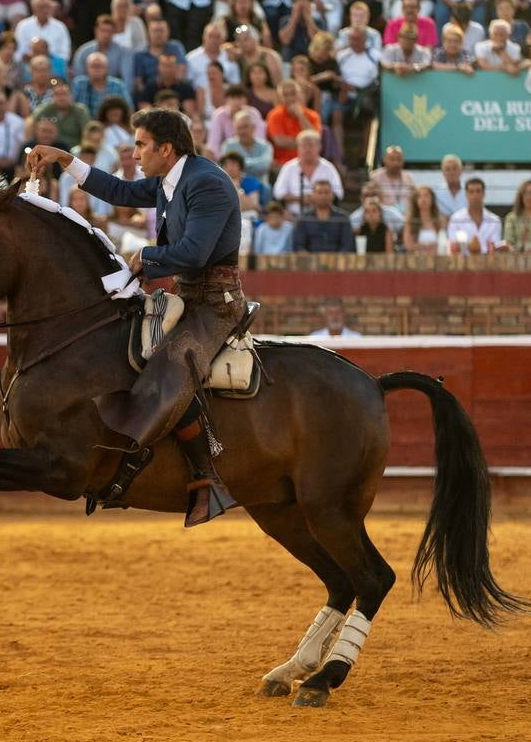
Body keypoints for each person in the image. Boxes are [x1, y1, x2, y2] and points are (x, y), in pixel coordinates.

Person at [27, 107, 245, 527]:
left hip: (217, 304)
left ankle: (208, 478)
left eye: (142, 144)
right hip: (189, 296)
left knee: (173, 364)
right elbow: (119, 191)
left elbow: (194, 253)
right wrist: (64, 158)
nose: (134, 153)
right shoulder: (172, 179)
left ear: (166, 148)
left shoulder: (207, 183)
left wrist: (147, 255)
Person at [272, 129, 341, 214]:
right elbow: (278, 193)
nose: (307, 149)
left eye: (311, 145)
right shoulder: (289, 167)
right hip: (292, 217)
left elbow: (338, 193)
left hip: (322, 217)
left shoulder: (328, 168)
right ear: (298, 148)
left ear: (319, 147)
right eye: (304, 146)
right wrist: (300, 198)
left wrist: (318, 199)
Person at [293, 179, 355, 252]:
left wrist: (337, 258)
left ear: (332, 195)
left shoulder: (343, 218)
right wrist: (309, 258)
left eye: (326, 192)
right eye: (319, 193)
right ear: (313, 195)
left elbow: (348, 245)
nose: (323, 196)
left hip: (338, 258)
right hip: (309, 258)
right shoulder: (303, 219)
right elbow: (298, 246)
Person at [446, 177, 502, 254]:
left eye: (478, 191)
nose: (475, 195)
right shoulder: (455, 219)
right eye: (471, 192)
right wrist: (471, 247)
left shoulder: (494, 220)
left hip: (487, 261)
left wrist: (472, 247)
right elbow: (453, 247)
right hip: (462, 261)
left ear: (483, 194)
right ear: (466, 195)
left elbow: (495, 248)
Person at [504, 179, 531, 252]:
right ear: (521, 196)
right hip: (514, 256)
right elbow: (508, 242)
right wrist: (516, 251)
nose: (529, 197)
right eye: (526, 193)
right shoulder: (511, 218)